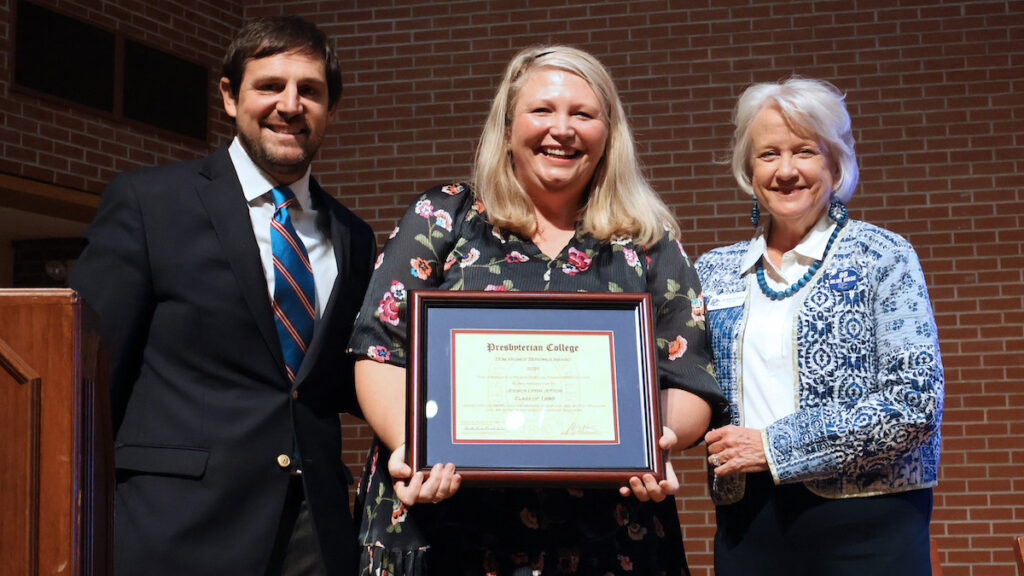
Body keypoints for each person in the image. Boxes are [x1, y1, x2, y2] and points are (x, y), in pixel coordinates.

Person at [345, 45, 727, 575]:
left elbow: (689, 378)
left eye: (583, 114)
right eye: (542, 110)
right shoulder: (443, 216)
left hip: (606, 538)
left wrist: (654, 441)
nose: (562, 129)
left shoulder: (646, 241)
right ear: (506, 129)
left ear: (608, 134)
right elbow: (380, 351)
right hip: (444, 526)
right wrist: (412, 444)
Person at [70, 16, 376, 576]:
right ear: (231, 97)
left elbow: (341, 379)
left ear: (332, 109)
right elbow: (85, 377)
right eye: (270, 86)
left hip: (317, 534)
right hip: (175, 529)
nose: (290, 104)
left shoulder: (353, 236)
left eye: (310, 90)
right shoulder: (149, 204)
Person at [695, 77, 944, 575]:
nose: (786, 171)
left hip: (869, 527)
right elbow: (685, 387)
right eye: (768, 154)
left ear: (834, 162)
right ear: (749, 168)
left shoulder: (883, 257)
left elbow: (915, 403)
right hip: (749, 528)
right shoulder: (712, 271)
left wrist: (773, 446)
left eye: (804, 151)